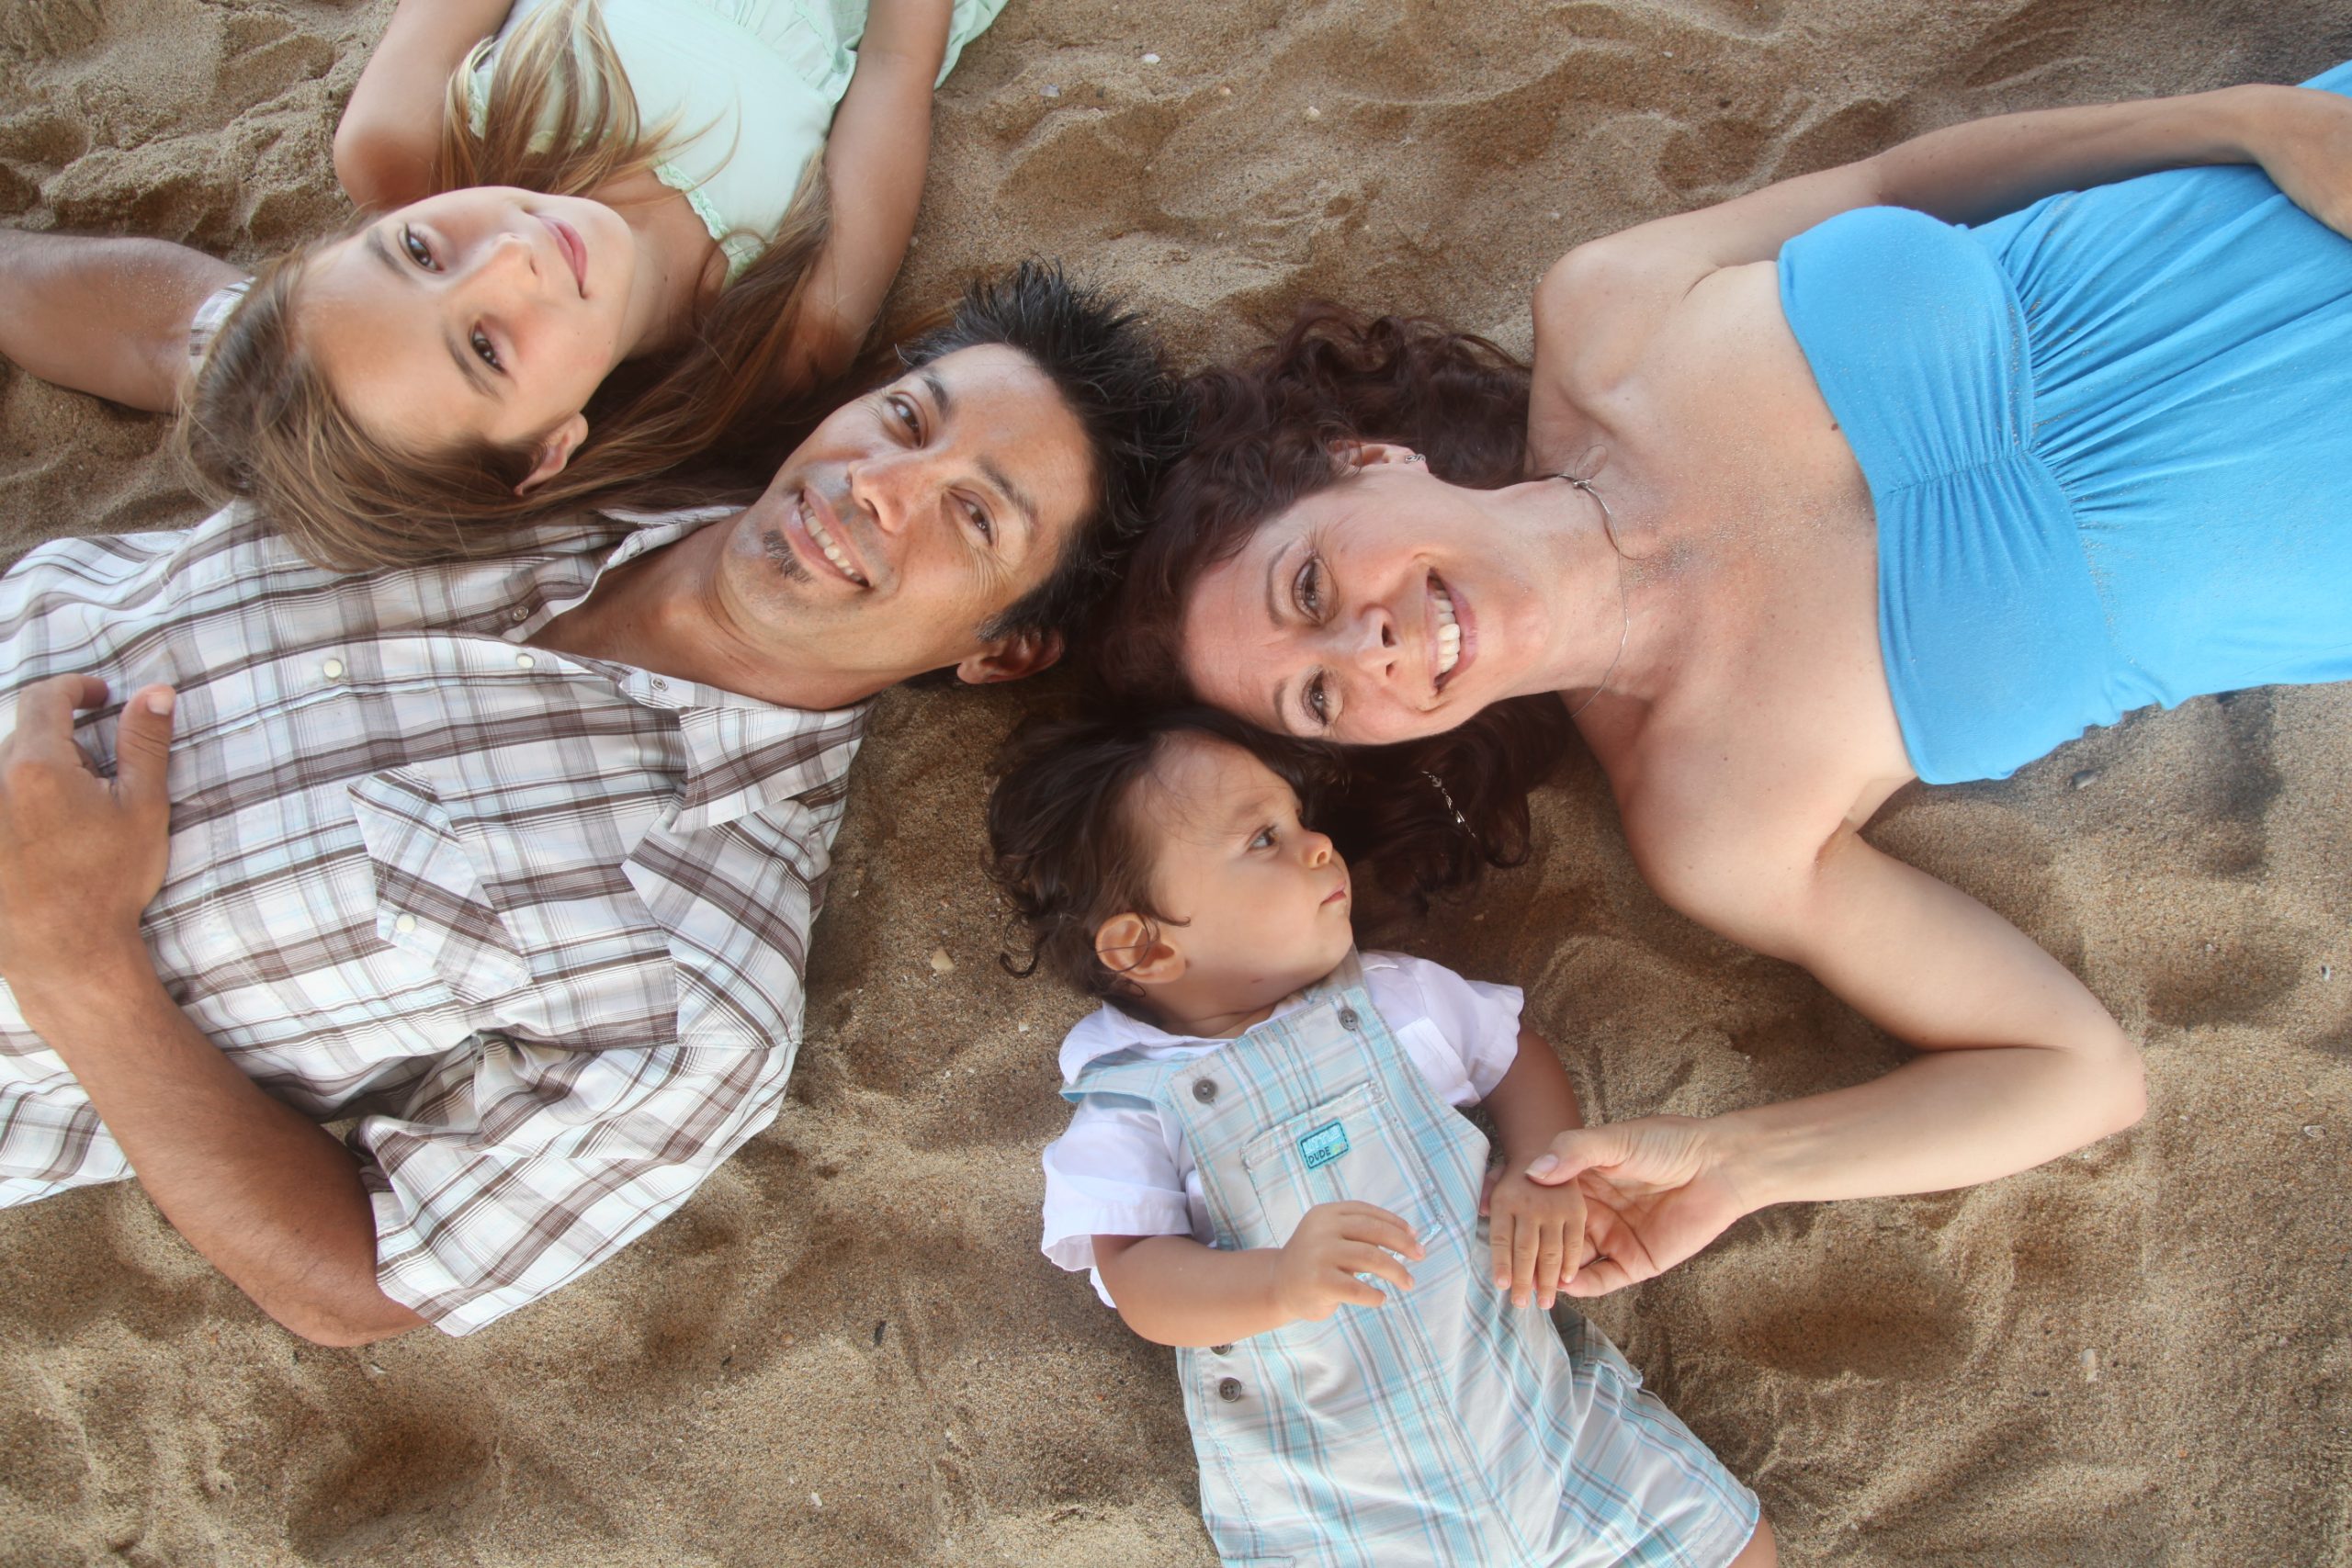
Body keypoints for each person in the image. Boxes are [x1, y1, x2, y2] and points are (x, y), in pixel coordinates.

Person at [1104, 65, 2352, 1295]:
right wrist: (1738, 1161)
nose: (1363, 648)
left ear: (1364, 457)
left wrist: (2240, 117)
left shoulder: (1608, 309)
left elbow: (1902, 179)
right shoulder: (1714, 820)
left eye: (1309, 588)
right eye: (1319, 697)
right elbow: (2077, 1071)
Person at [0, 265, 1187, 1347]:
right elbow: (214, 334)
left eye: (974, 515)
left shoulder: (695, 982)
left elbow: (361, 1277)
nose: (879, 488)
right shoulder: (598, 424)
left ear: (1005, 652)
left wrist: (79, 964)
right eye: (905, 420)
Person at [988, 707, 1773, 1568]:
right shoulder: (1133, 1097)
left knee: (1733, 1546)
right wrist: (1276, 1281)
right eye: (1262, 840)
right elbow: (1138, 1276)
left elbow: (1513, 1056)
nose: (1318, 844)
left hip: (1535, 1418)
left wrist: (1544, 1169)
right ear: (1143, 946)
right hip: (1348, 1505)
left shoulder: (1393, 1000)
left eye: (1297, 819)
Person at [0, 0, 1005, 568]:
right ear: (548, 446)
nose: (509, 258)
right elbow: (893, 63)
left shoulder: (399, 143)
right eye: (486, 347)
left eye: (418, 253)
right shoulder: (777, 331)